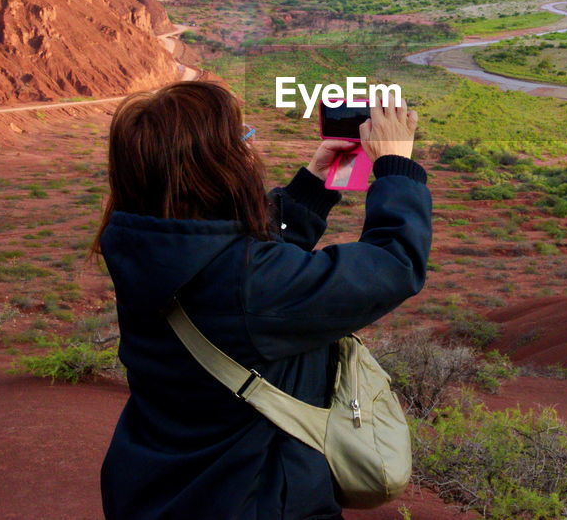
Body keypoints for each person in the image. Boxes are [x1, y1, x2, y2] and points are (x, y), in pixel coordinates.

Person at [94, 81, 431, 520]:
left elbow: (225, 253)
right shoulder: (249, 283)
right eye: (242, 137)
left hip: (158, 488)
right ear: (214, 167)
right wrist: (395, 168)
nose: (249, 146)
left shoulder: (143, 247)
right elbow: (393, 265)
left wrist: (313, 186)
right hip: (255, 499)